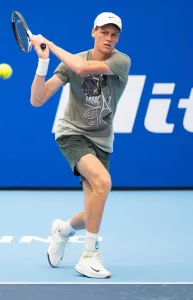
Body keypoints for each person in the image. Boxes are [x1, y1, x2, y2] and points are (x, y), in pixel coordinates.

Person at [29, 12, 131, 279]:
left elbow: (83, 69)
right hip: (72, 134)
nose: (109, 38)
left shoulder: (121, 61)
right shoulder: (71, 62)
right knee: (103, 182)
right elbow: (38, 100)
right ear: (93, 32)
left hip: (102, 140)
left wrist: (49, 44)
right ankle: (89, 256)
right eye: (104, 32)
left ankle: (62, 230)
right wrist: (43, 63)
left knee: (90, 212)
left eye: (114, 34)